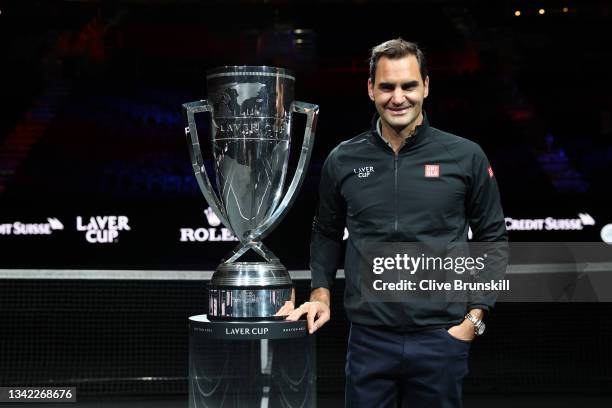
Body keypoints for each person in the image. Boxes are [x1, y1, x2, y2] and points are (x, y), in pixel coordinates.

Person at [286, 38, 508, 407]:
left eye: (408, 85)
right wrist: (321, 292)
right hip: (370, 340)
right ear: (371, 89)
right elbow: (326, 230)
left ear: (425, 86)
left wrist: (474, 319)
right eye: (387, 86)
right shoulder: (343, 159)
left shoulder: (466, 156)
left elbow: (492, 237)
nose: (398, 97)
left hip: (442, 336)